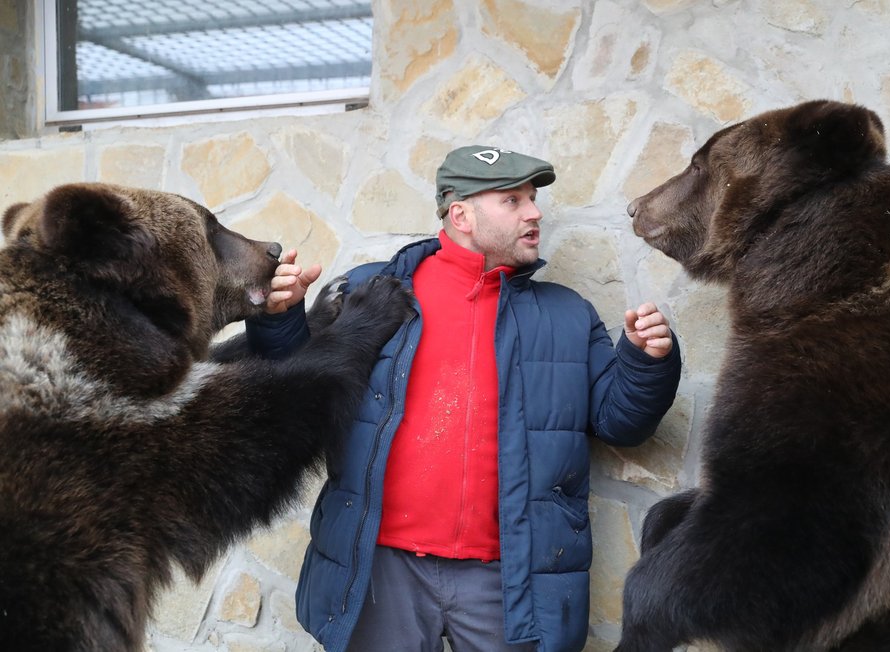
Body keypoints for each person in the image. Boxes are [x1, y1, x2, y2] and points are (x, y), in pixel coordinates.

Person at [246, 145, 682, 652]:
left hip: (510, 578)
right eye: (514, 200)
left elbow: (621, 423)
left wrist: (645, 360)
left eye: (533, 199)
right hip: (380, 568)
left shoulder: (567, 315)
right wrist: (281, 322)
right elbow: (295, 398)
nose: (535, 212)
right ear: (462, 214)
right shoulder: (368, 294)